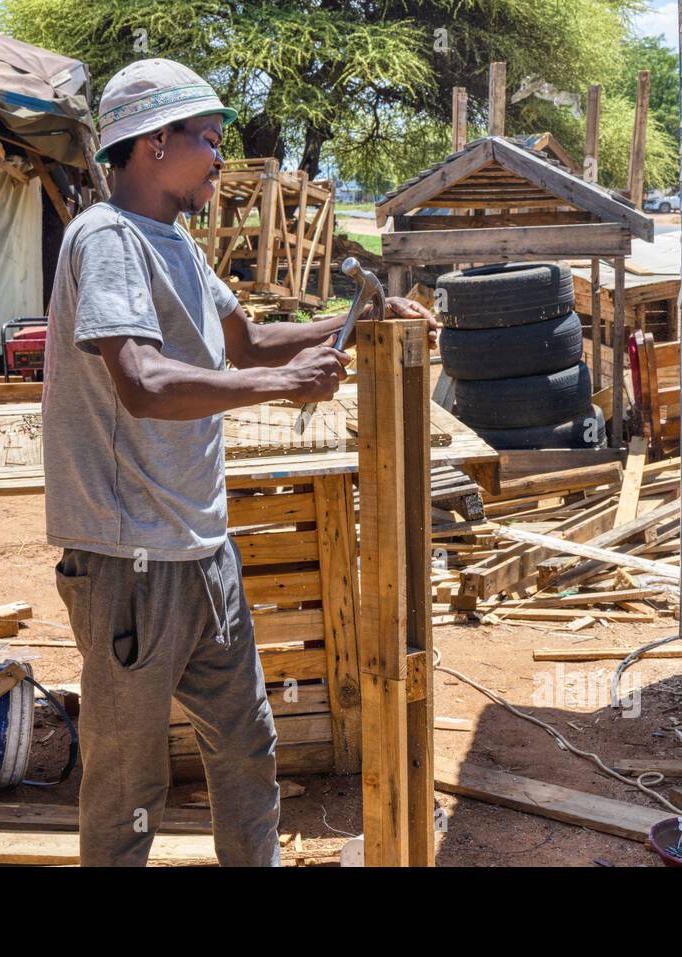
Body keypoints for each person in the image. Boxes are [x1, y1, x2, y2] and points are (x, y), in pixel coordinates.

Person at [44, 58, 435, 867]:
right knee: (128, 790)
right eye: (210, 140)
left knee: (249, 747)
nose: (223, 158)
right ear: (154, 143)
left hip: (200, 550)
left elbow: (248, 342)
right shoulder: (107, 239)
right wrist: (276, 385)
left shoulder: (176, 242)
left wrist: (358, 315)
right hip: (129, 559)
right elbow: (143, 382)